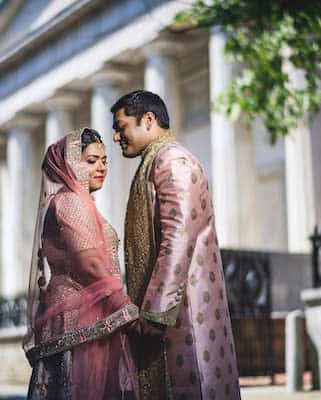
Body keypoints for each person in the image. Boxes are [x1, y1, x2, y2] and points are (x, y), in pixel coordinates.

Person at [111, 90, 242, 400]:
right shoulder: (155, 161)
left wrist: (155, 312)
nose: (116, 137)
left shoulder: (173, 161)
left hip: (183, 312)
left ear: (148, 120)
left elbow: (178, 236)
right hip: (166, 315)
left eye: (121, 126)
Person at [23, 128, 139, 400]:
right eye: (91, 160)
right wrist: (127, 309)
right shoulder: (69, 203)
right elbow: (90, 265)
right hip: (79, 321)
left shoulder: (79, 203)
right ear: (71, 164)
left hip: (92, 316)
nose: (101, 167)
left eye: (104, 160)